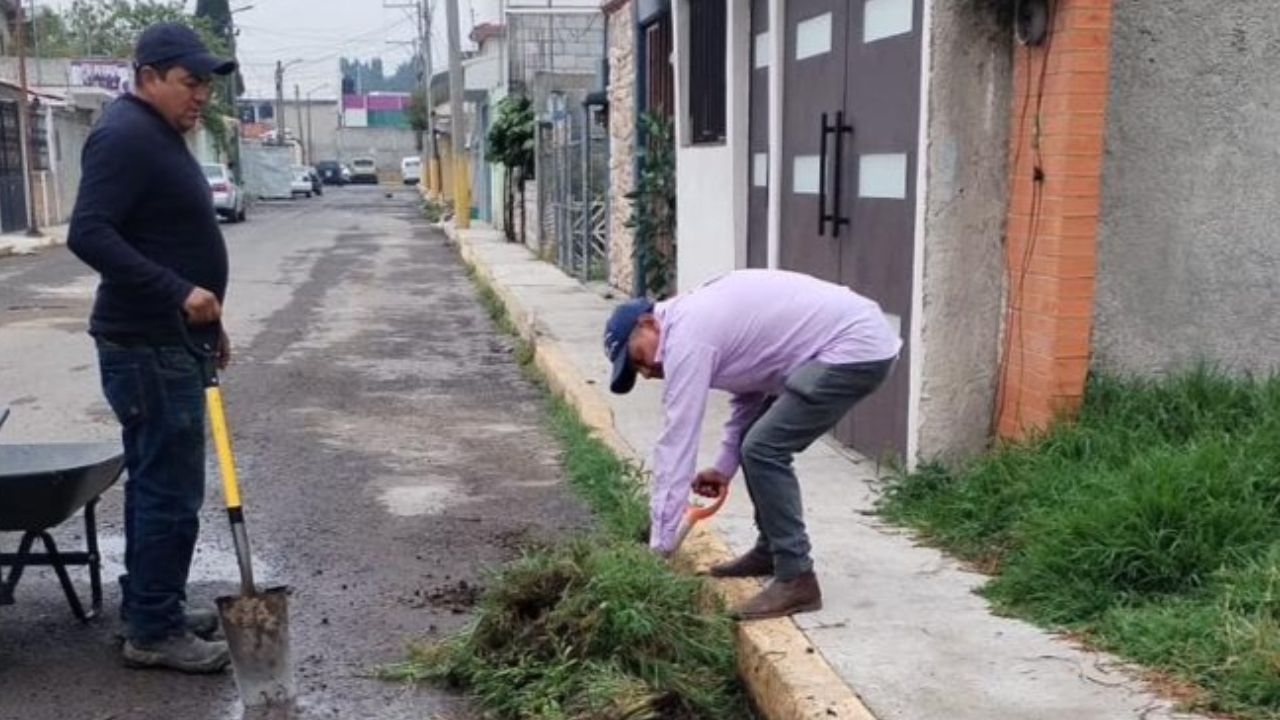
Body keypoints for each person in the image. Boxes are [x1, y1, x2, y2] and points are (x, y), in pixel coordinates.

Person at [67, 22, 238, 673]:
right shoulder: (125, 135)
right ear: (149, 77)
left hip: (168, 339)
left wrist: (204, 319)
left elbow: (165, 236)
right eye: (190, 82)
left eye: (207, 86)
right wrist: (176, 292)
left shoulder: (153, 133)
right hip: (146, 343)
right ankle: (154, 629)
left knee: (155, 486)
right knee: (169, 490)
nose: (202, 97)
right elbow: (89, 232)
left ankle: (150, 605)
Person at [604, 269, 901, 620]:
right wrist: (724, 467)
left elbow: (676, 445)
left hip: (854, 349)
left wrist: (660, 548)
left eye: (638, 359)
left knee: (765, 449)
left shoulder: (687, 338)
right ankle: (771, 551)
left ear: (649, 323)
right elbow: (749, 394)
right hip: (844, 341)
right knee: (756, 441)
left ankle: (797, 578)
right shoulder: (691, 326)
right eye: (638, 371)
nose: (648, 372)